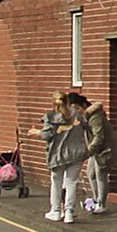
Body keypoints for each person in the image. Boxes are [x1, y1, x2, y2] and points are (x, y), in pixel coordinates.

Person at [32, 92, 91, 225]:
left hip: (57, 154)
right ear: (68, 102)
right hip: (76, 152)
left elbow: (47, 135)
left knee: (56, 182)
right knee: (71, 183)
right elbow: (86, 126)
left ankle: (56, 210)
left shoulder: (51, 117)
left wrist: (37, 132)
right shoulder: (76, 114)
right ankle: (69, 212)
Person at [75, 91, 117, 214]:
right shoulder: (83, 117)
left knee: (100, 174)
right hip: (95, 149)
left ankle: (101, 203)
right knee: (91, 173)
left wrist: (89, 150)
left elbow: (98, 136)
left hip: (104, 149)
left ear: (84, 106)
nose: (76, 111)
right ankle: (96, 200)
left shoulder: (95, 116)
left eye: (77, 108)